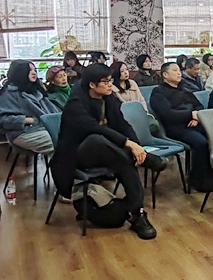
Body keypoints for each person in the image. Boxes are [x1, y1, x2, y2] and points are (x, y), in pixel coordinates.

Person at [50, 63, 167, 240]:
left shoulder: (109, 98)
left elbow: (122, 124)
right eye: (105, 82)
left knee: (125, 164)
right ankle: (145, 162)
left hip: (108, 152)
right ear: (92, 84)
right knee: (96, 139)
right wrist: (128, 144)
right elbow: (94, 128)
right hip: (77, 155)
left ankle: (138, 215)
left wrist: (137, 147)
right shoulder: (76, 104)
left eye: (110, 80)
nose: (110, 85)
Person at [150, 62, 213, 192]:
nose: (179, 73)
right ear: (165, 75)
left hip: (194, 123)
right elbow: (167, 114)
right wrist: (190, 115)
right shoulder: (158, 92)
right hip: (176, 128)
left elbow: (198, 106)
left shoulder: (184, 88)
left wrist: (196, 117)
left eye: (179, 70)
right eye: (175, 70)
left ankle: (211, 175)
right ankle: (197, 179)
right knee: (201, 143)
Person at [0, 60, 57, 155]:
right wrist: (27, 120)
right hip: (23, 132)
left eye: (34, 70)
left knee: (71, 138)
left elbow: (52, 111)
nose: (34, 73)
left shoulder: (36, 90)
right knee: (60, 142)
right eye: (29, 70)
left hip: (44, 128)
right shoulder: (9, 93)